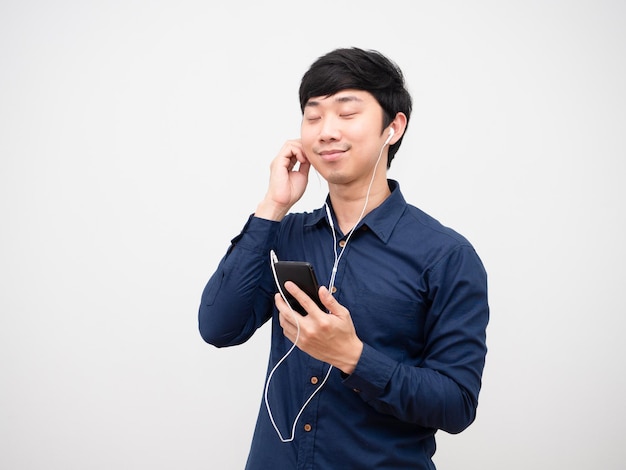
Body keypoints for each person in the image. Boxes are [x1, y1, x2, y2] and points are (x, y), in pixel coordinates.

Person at [198, 47, 489, 469]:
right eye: (313, 116)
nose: (326, 131)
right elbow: (218, 327)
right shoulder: (285, 233)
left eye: (346, 114)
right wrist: (273, 206)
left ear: (393, 127)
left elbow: (457, 404)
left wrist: (353, 357)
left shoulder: (446, 256)